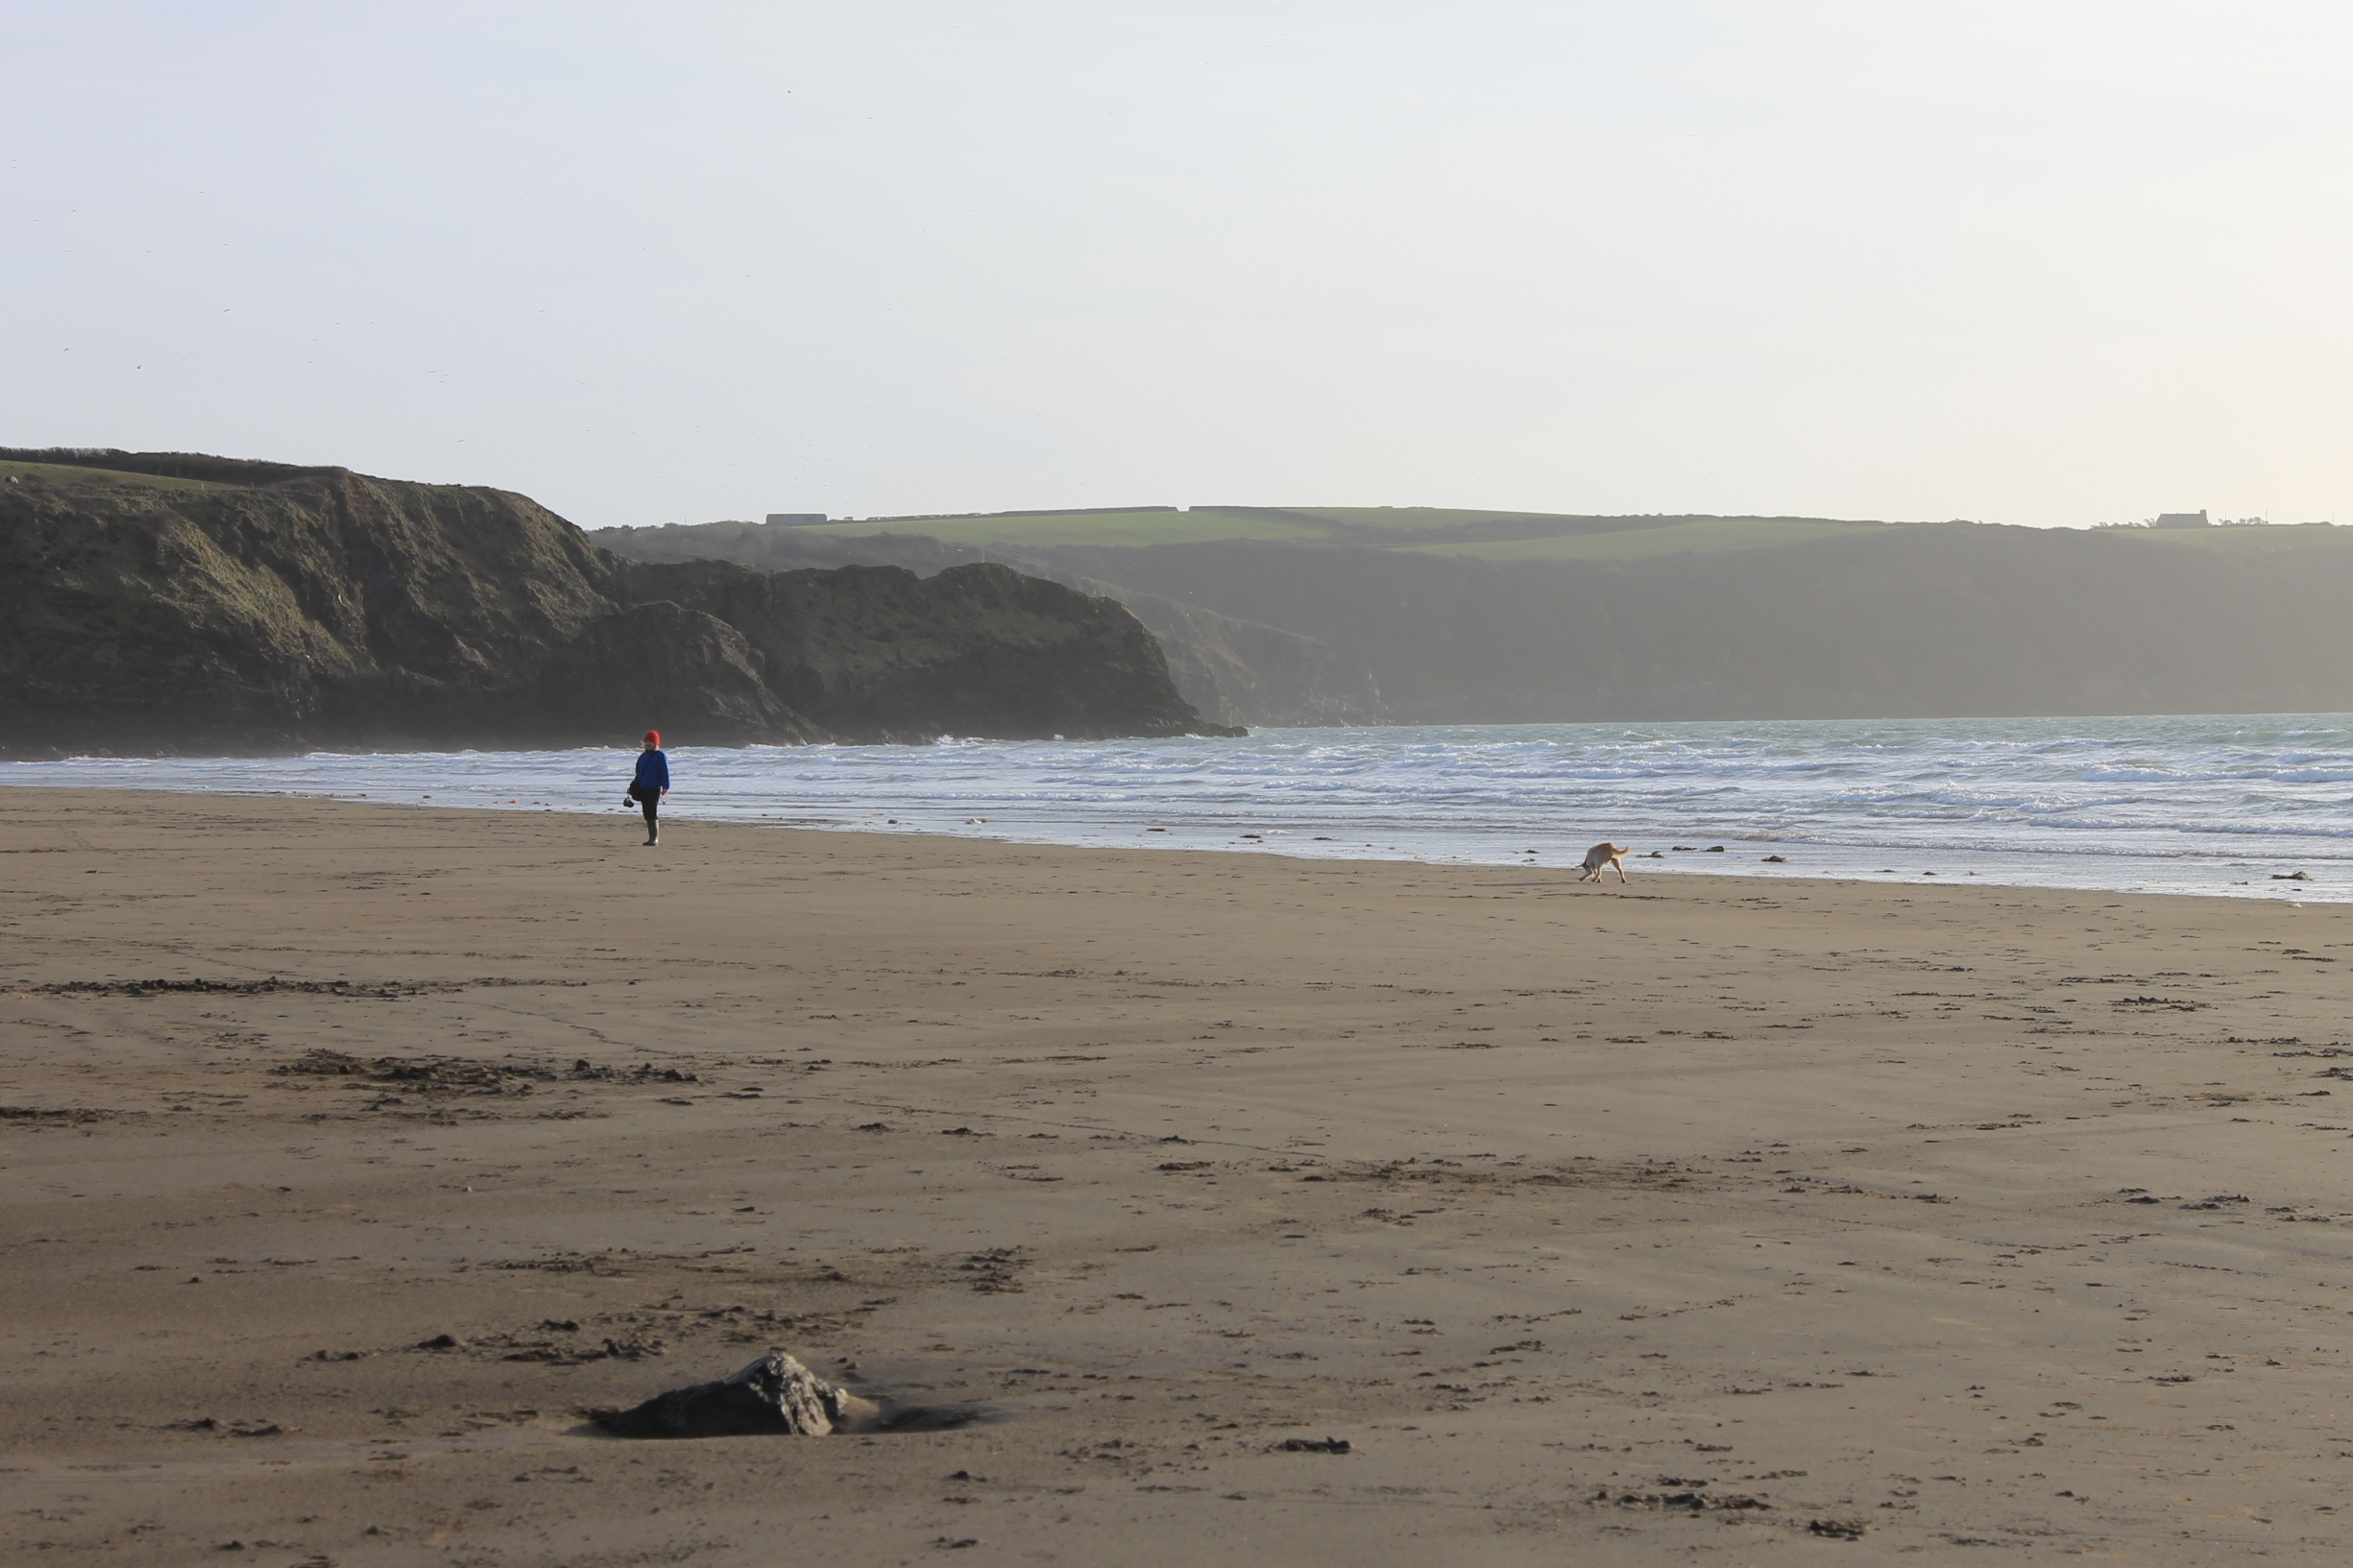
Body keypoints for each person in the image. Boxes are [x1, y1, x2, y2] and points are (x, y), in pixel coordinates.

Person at [627, 731, 669, 845]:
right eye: (646, 742)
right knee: (646, 813)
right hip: (642, 788)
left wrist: (666, 787)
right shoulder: (642, 756)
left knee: (652, 811)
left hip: (654, 788)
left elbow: (664, 772)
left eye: (651, 741)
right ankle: (650, 838)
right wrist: (633, 786)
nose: (648, 744)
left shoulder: (661, 756)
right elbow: (638, 773)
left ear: (656, 743)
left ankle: (654, 839)